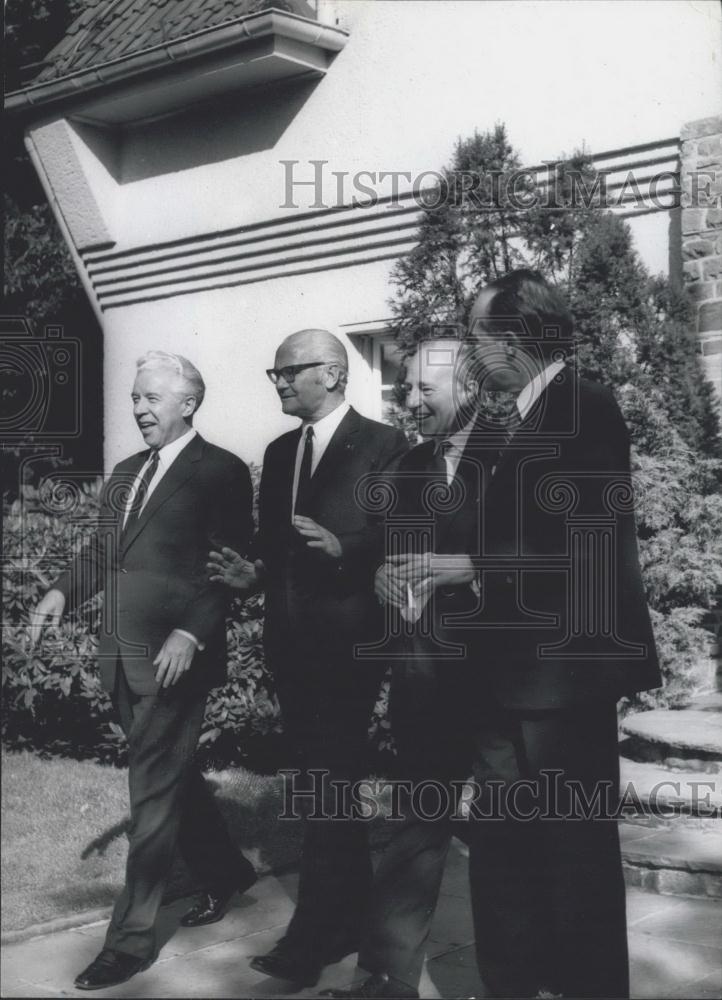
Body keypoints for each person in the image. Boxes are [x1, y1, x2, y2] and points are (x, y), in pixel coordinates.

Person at [328, 270, 661, 1000]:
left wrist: (471, 563)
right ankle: (514, 984)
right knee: (507, 852)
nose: (475, 355)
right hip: (510, 679)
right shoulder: (530, 415)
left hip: (564, 680)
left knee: (575, 859)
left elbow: (589, 544)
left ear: (513, 340)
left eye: (478, 338)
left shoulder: (585, 406)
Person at [30, 351, 256, 992]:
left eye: (152, 398)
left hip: (176, 660)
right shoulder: (127, 473)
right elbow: (102, 550)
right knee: (169, 779)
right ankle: (227, 873)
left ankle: (129, 944)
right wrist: (58, 594)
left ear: (188, 403)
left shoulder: (221, 471)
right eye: (135, 398)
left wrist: (192, 630)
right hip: (121, 658)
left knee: (151, 799)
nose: (138, 408)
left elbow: (228, 563)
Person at [208, 329, 408, 988]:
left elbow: (398, 531)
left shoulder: (384, 445)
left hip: (350, 647)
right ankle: (349, 918)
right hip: (291, 646)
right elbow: (274, 544)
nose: (279, 383)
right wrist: (253, 576)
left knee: (325, 784)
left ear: (331, 371)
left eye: (288, 371)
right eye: (275, 374)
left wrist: (344, 546)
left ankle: (313, 936)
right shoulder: (280, 450)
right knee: (327, 786)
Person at [323, 335, 484, 1000]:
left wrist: (470, 570)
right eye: (407, 387)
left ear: (470, 387)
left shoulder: (518, 459)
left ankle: (526, 979)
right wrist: (384, 578)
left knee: (512, 839)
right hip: (426, 677)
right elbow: (390, 555)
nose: (410, 401)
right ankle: (387, 978)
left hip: (507, 678)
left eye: (425, 389)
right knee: (416, 827)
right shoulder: (408, 469)